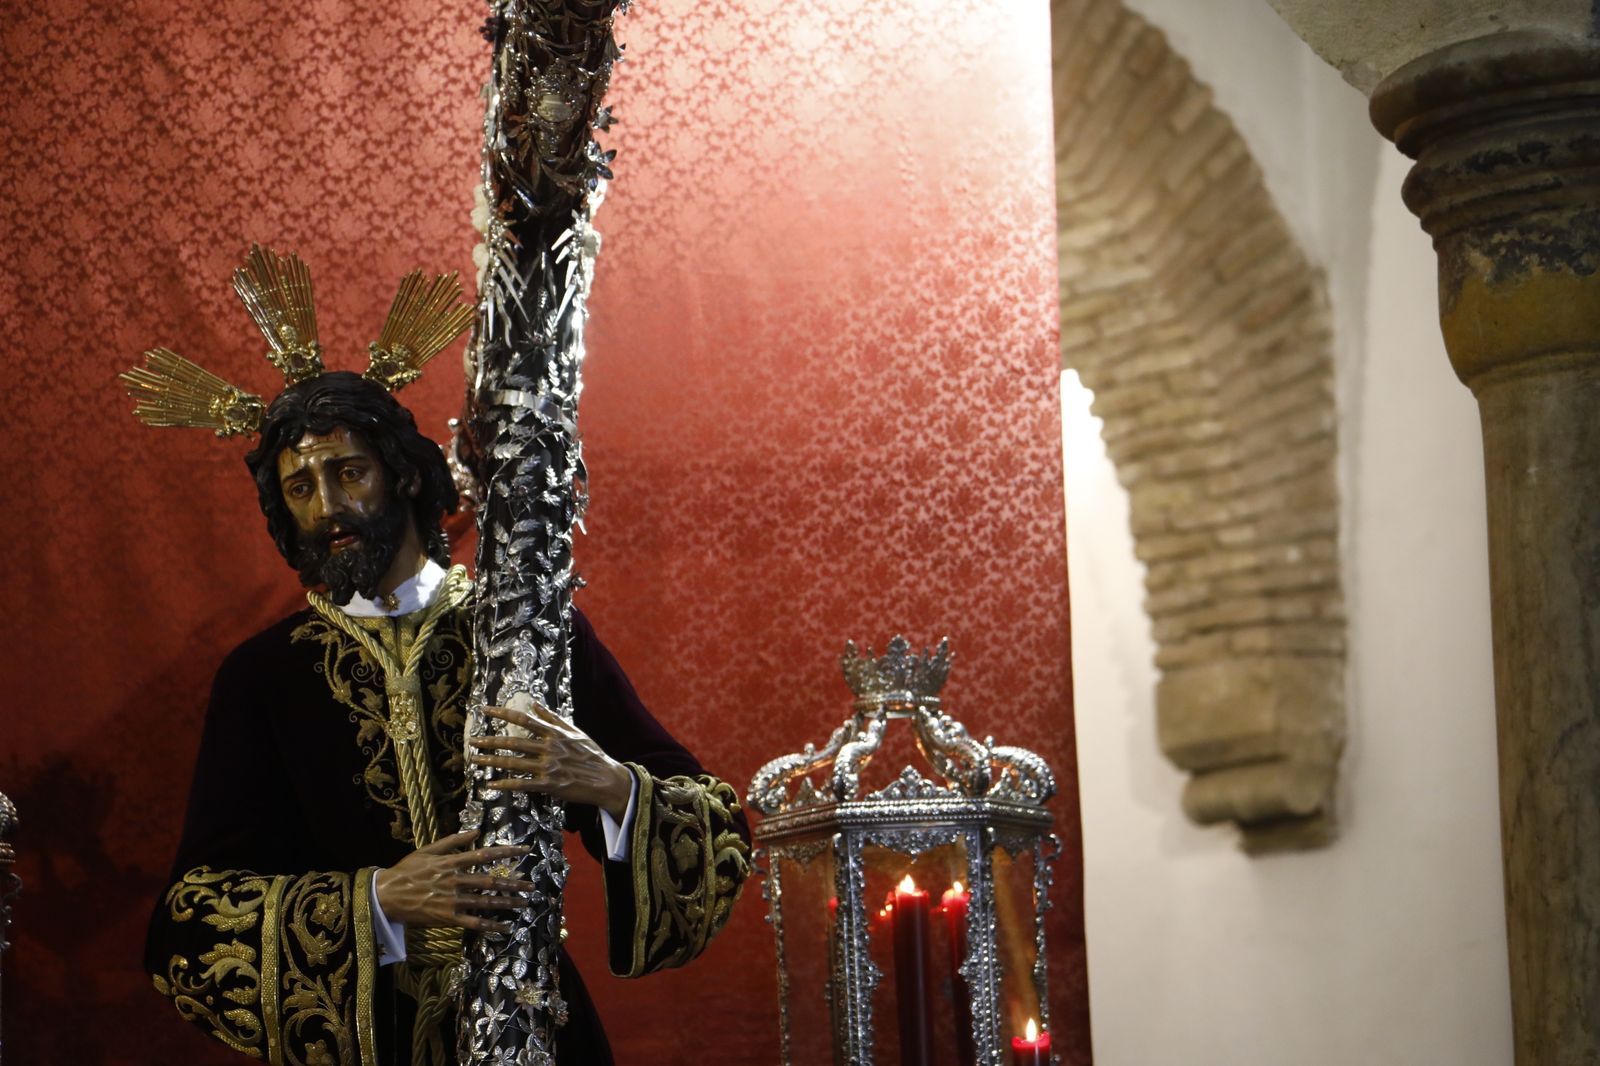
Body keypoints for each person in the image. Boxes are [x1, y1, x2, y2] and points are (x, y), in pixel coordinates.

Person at [127, 248, 750, 1066]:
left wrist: (607, 785)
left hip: (534, 1017)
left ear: (405, 476)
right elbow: (190, 922)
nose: (328, 508)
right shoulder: (264, 678)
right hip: (372, 1036)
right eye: (300, 488)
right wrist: (377, 900)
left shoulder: (526, 629)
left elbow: (719, 827)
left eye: (348, 472)